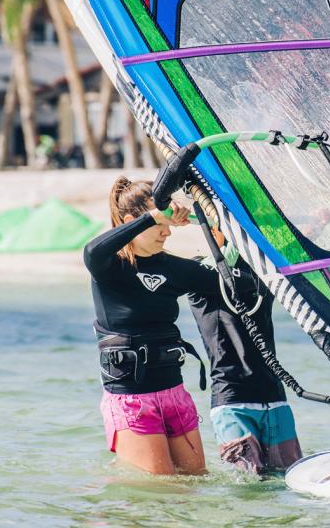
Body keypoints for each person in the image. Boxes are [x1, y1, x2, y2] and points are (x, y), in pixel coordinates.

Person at [83, 177, 221, 475]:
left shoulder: (173, 268)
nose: (167, 232)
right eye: (161, 224)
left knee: (195, 484)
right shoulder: (109, 268)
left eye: (168, 224)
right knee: (161, 490)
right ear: (133, 222)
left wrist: (212, 223)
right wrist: (152, 217)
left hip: (174, 393)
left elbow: (228, 281)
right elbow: (92, 251)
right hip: (132, 398)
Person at [188, 228, 303, 475]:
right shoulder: (199, 273)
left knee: (289, 479)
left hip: (275, 401)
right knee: (249, 487)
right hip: (233, 402)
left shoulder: (262, 269)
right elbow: (226, 259)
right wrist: (234, 225)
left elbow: (306, 253)